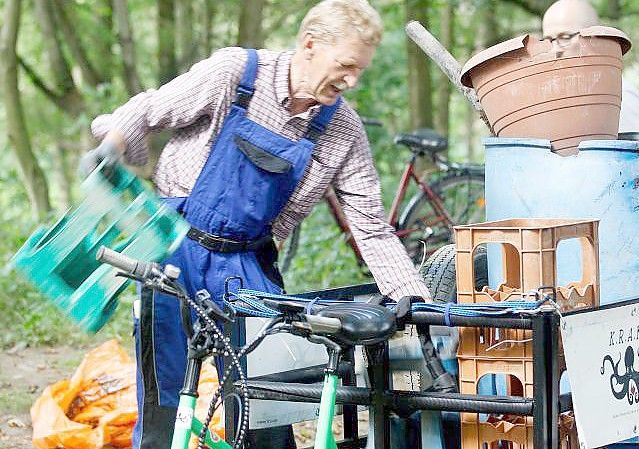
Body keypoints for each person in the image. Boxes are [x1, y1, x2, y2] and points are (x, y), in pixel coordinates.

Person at [81, 1, 432, 447]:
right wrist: (111, 146)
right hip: (172, 247)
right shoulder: (237, 72)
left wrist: (415, 303)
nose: (352, 81)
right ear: (309, 44)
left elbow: (372, 228)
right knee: (163, 396)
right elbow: (149, 111)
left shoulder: (342, 129)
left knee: (268, 401)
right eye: (346, 66)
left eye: (360, 70)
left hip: (247, 265)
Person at [541, 0, 639, 133]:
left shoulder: (619, 95)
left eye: (565, 37)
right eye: (548, 41)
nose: (554, 50)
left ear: (593, 38)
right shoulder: (550, 97)